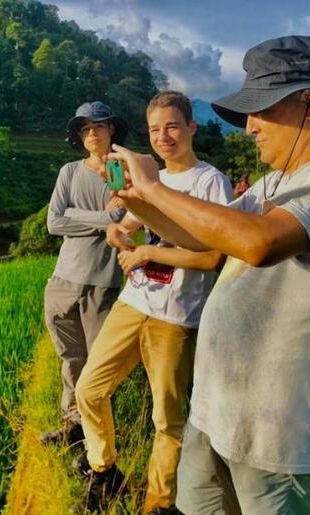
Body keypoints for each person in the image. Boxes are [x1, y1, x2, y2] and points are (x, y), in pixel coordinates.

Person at [103, 36, 310, 514]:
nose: (250, 127)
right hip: (215, 411)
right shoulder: (271, 183)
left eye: (260, 109)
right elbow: (205, 236)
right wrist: (140, 200)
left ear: (308, 101)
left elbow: (259, 243)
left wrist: (156, 186)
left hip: (274, 432)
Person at [73, 91, 233, 514]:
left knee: (168, 420)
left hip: (177, 316)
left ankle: (159, 504)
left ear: (191, 127)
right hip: (134, 303)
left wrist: (147, 252)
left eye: (173, 127)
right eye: (155, 130)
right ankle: (104, 472)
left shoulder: (209, 182)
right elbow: (131, 221)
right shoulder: (154, 179)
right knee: (89, 389)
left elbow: (212, 256)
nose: (164, 137)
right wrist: (119, 231)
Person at [41, 101, 130, 446]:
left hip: (102, 282)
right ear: (81, 136)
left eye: (99, 126)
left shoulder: (119, 171)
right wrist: (102, 219)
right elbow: (53, 222)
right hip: (64, 279)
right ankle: (72, 426)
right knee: (71, 358)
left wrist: (84, 217)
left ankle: (100, 437)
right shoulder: (69, 172)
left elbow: (124, 218)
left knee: (99, 365)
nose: (92, 133)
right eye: (85, 129)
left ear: (111, 131)